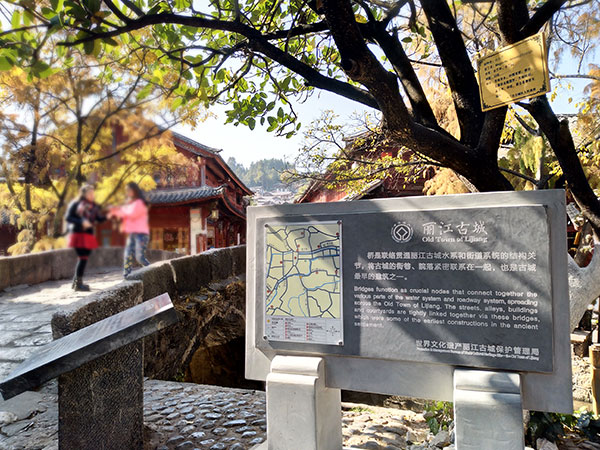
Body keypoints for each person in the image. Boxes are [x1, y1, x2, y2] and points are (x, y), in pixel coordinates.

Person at [65, 184, 106, 291]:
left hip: (88, 234)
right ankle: (78, 283)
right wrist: (81, 221)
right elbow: (69, 217)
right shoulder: (76, 204)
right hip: (78, 233)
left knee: (84, 258)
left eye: (93, 193)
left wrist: (108, 216)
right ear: (84, 194)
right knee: (82, 258)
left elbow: (99, 219)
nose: (92, 195)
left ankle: (76, 282)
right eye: (90, 193)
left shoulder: (94, 206)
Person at [109, 182, 151, 277]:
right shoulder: (129, 203)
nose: (127, 192)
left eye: (129, 190)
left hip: (141, 234)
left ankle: (155, 272)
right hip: (132, 233)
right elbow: (124, 214)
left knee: (140, 258)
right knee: (127, 255)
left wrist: (118, 210)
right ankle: (126, 276)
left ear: (134, 190)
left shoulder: (139, 203)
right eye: (126, 190)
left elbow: (131, 214)